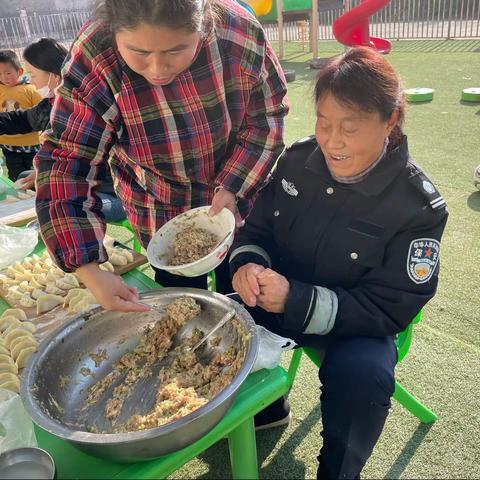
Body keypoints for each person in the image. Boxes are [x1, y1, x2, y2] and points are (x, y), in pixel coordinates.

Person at [229, 47, 448, 479]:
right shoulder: (296, 161)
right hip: (278, 291)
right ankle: (268, 408)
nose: (332, 141)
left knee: (364, 379)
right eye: (324, 124)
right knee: (212, 308)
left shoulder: (418, 207)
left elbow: (390, 307)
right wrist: (247, 266)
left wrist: (296, 299)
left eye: (350, 128)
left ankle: (338, 471)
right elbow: (255, 230)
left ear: (389, 122)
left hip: (354, 324)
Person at [35, 0, 288, 311]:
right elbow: (68, 160)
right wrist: (89, 269)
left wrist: (234, 186)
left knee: (238, 293)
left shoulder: (239, 33)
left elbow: (266, 118)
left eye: (175, 50)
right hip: (156, 204)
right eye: (139, 53)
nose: (157, 70)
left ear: (204, 27)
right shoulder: (94, 55)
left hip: (236, 198)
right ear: (114, 31)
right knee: (179, 307)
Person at [0, 38, 126, 223]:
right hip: (76, 182)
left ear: (55, 76)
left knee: (64, 201)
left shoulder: (90, 108)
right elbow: (21, 119)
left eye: (33, 76)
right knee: (24, 176)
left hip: (110, 192)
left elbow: (95, 163)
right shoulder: (52, 104)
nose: (32, 83)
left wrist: (52, 173)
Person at [0, 50, 42, 181]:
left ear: (20, 71)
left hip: (31, 146)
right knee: (15, 177)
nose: (4, 78)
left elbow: (41, 114)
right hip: (8, 145)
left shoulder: (31, 90)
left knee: (35, 177)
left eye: (8, 73)